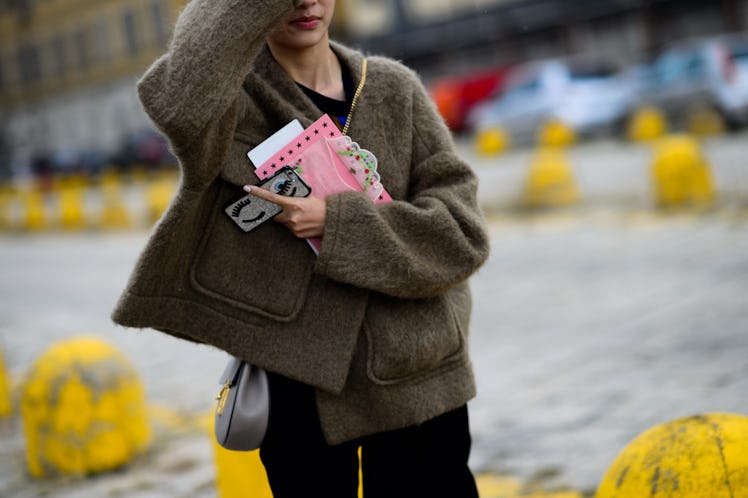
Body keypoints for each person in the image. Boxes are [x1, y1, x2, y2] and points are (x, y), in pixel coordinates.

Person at [112, 0, 491, 496]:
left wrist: (339, 224)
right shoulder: (230, 103)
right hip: (299, 386)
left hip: (418, 372)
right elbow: (175, 99)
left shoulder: (395, 90)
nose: (305, 2)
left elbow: (461, 235)